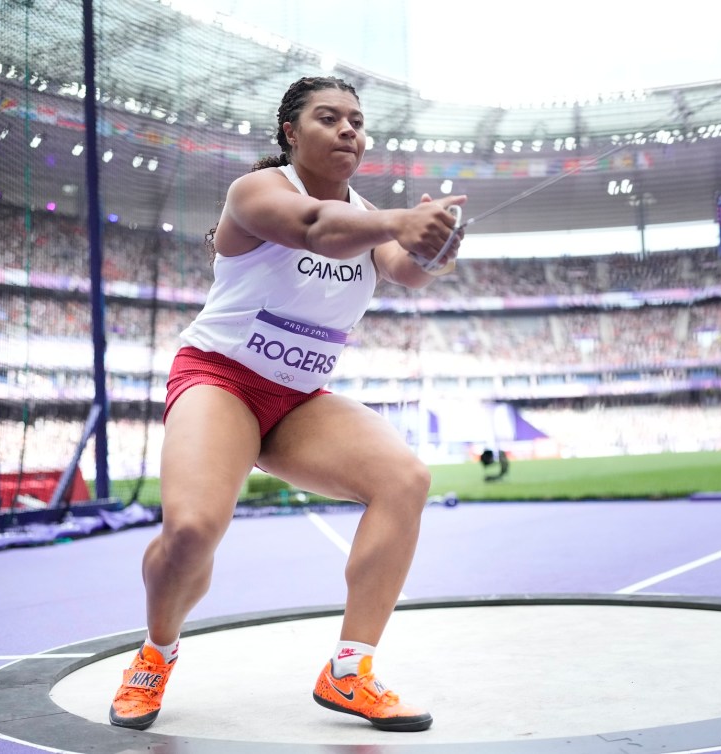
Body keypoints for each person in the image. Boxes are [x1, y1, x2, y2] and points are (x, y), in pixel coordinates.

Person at [108, 75, 465, 734]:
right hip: (221, 380)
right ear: (290, 133)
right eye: (328, 118)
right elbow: (314, 228)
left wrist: (433, 244)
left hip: (299, 400)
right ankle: (156, 653)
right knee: (190, 532)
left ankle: (349, 672)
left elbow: (406, 269)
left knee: (404, 479)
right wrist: (397, 220)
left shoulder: (365, 214)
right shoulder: (257, 193)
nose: (347, 130)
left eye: (356, 120)